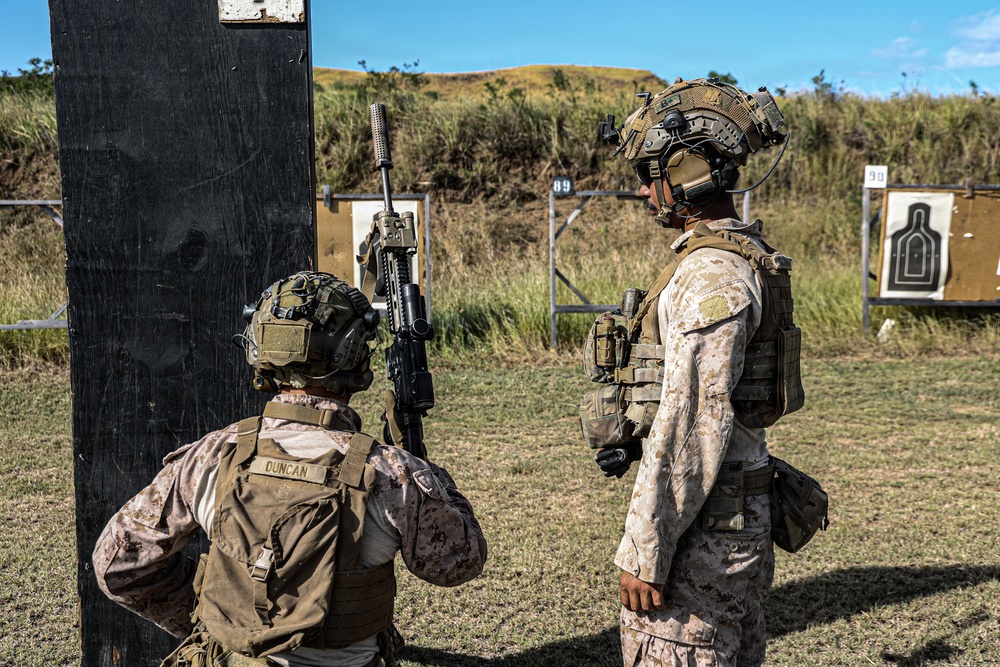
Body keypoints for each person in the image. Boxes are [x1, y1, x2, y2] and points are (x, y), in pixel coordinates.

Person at [93, 271, 487, 667]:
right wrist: (426, 472)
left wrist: (204, 616)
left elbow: (116, 563)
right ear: (353, 354)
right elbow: (458, 563)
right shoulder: (391, 473)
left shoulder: (211, 455)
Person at [583, 78, 804, 667]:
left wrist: (646, 548)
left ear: (688, 175)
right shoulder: (731, 258)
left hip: (704, 531)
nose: (641, 189)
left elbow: (691, 420)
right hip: (724, 516)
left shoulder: (713, 274)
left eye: (649, 173)